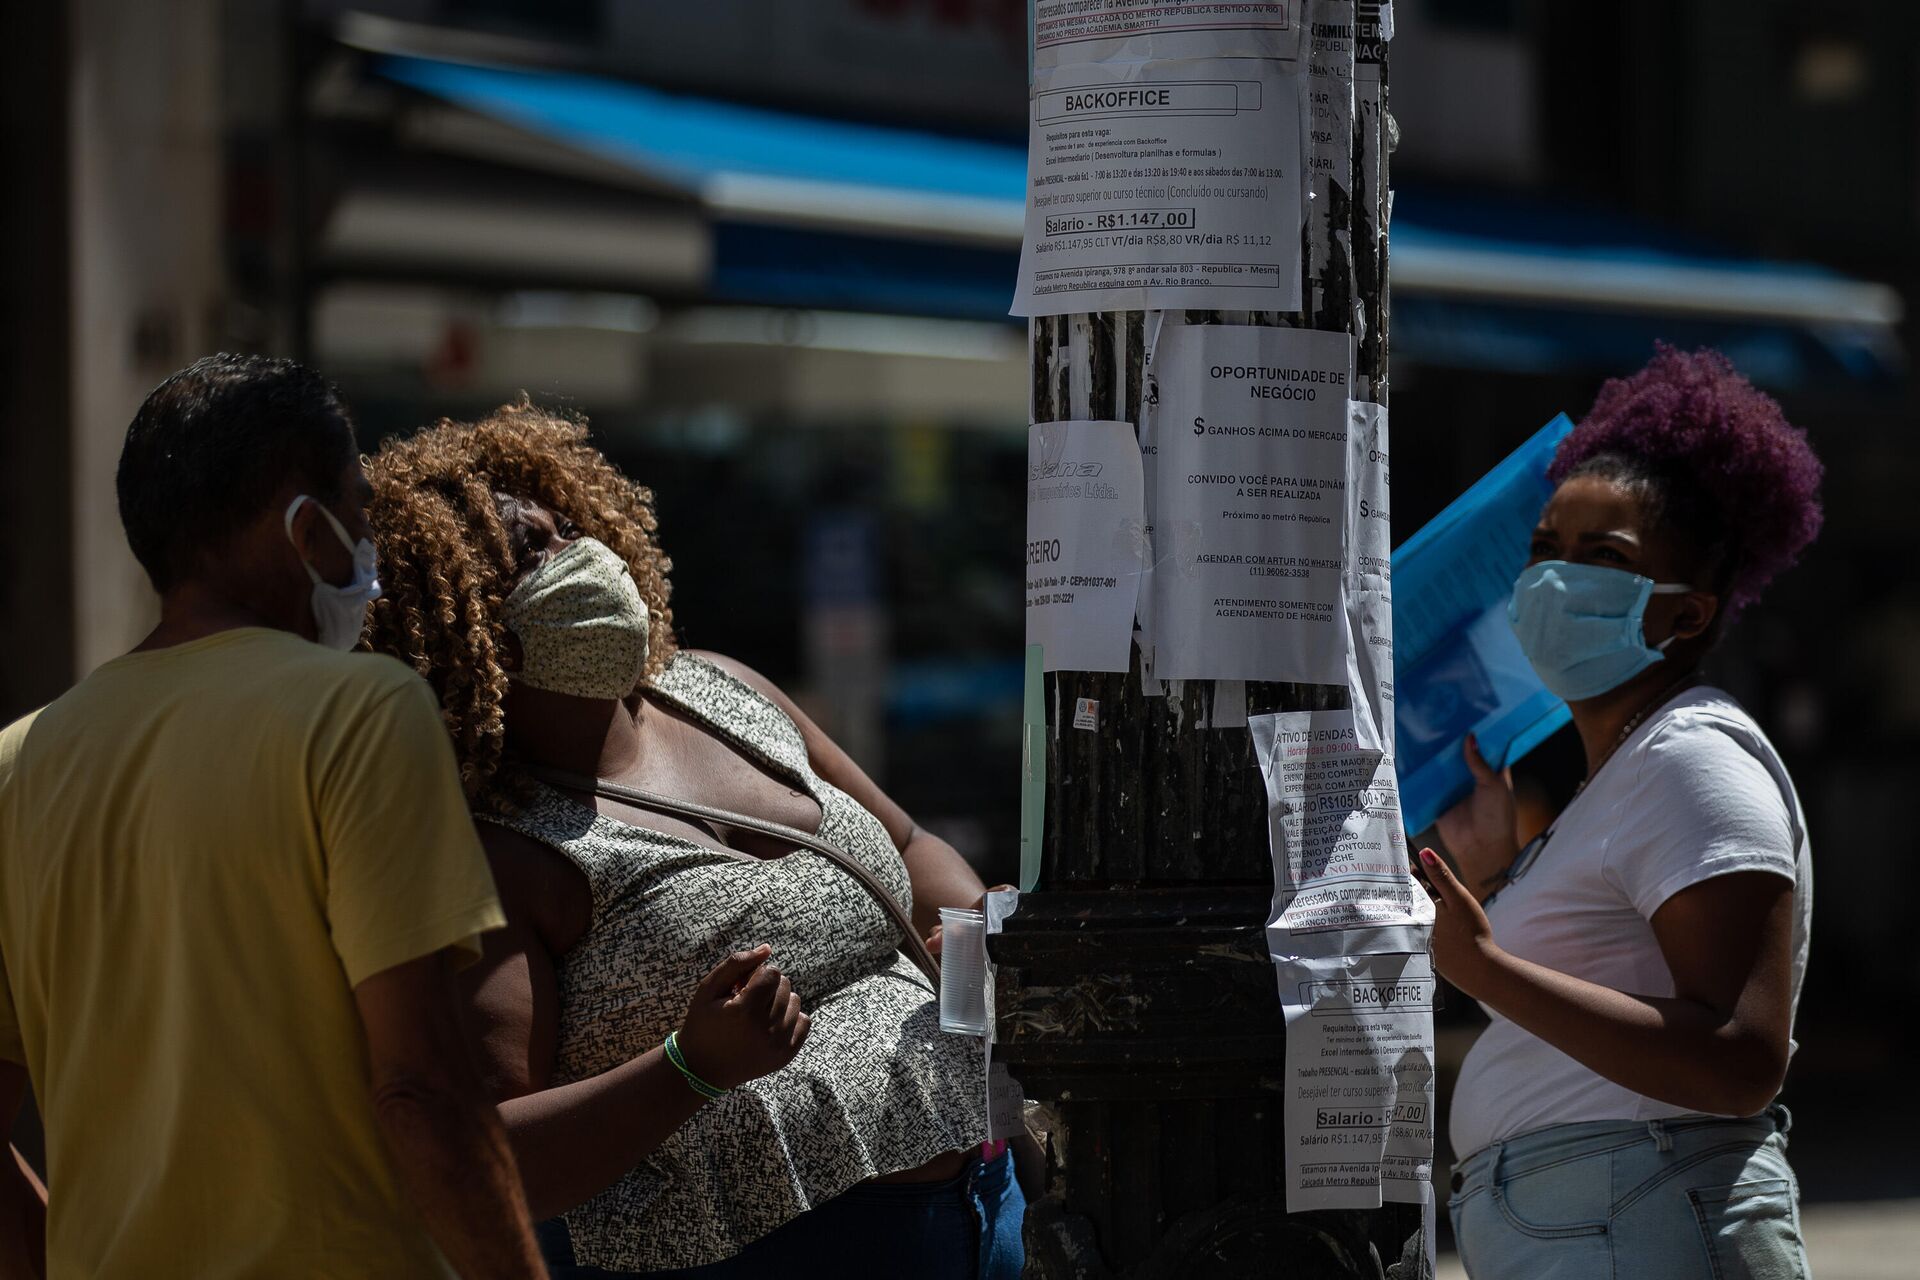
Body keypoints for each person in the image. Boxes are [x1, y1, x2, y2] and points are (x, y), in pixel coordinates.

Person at [362, 400, 1024, 1280]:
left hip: (980, 1198)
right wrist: (691, 1067)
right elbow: (494, 1155)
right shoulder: (502, 850)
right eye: (530, 551)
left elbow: (906, 845)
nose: (577, 555)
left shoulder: (719, 687)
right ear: (459, 622)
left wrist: (980, 938)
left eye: (568, 527)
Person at [0, 354, 550, 1278]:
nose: (364, 545)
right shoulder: (362, 714)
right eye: (357, 509)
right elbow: (422, 1089)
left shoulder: (20, 763)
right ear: (303, 520)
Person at [1421, 346, 1821, 1279]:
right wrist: (1491, 881)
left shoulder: (1693, 762)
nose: (1555, 582)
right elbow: (1589, 1002)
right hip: (1598, 1226)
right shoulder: (1623, 772)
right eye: (1543, 551)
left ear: (1685, 616)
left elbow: (1738, 1060)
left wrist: (1481, 963)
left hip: (1644, 1220)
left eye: (1602, 559)